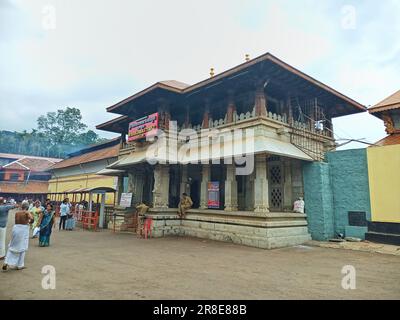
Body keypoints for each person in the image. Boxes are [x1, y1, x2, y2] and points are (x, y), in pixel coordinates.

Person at [2, 202, 32, 271]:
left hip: (15, 228)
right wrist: (29, 221)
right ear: (27, 207)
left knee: (11, 245)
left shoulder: (17, 213)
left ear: (22, 207)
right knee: (23, 247)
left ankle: (6, 262)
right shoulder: (27, 213)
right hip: (23, 230)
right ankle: (20, 265)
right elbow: (32, 219)